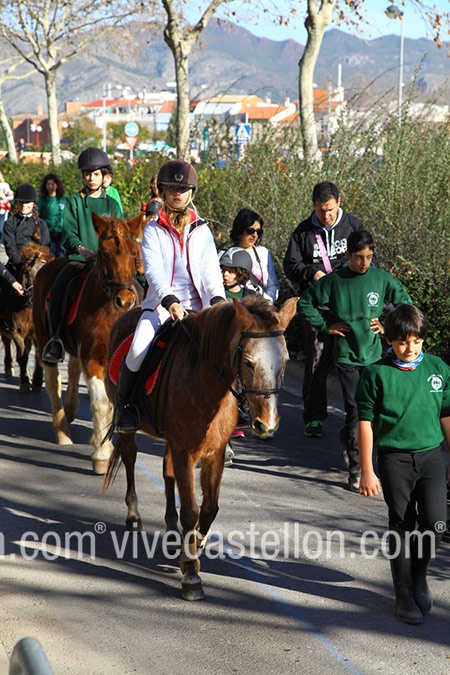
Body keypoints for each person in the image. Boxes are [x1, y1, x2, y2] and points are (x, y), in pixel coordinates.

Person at [113, 159, 225, 433]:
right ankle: (125, 408)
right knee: (138, 348)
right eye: (172, 188)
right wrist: (170, 301)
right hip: (161, 306)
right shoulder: (153, 228)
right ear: (163, 191)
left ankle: (236, 411)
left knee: (230, 348)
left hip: (199, 305)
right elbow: (154, 271)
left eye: (183, 189)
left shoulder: (202, 230)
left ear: (191, 193)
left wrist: (218, 301)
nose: (177, 193)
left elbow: (211, 271)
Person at [356, 304, 450, 625]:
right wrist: (367, 469)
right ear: (389, 340)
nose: (410, 349)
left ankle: (419, 577)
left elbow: (446, 415)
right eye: (402, 342)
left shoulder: (438, 369)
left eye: (416, 342)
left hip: (430, 456)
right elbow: (365, 423)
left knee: (437, 523)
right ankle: (404, 593)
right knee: (402, 524)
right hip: (394, 459)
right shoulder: (375, 374)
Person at [298, 230, 411, 491]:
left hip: (375, 358)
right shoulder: (335, 281)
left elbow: (406, 306)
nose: (364, 263)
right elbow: (305, 303)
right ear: (348, 255)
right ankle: (357, 469)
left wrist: (388, 327)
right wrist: (325, 325)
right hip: (346, 356)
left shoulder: (382, 279)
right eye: (359, 257)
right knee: (356, 410)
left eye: (369, 257)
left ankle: (353, 441)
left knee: (377, 411)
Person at [283, 181, 364, 439]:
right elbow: (290, 265)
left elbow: (368, 257)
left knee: (353, 361)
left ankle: (357, 419)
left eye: (330, 210)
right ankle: (314, 416)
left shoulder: (353, 226)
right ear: (314, 207)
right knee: (317, 360)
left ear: (339, 202)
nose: (326, 216)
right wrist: (311, 272)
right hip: (317, 307)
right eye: (321, 211)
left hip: (349, 307)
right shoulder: (303, 232)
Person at [41, 147, 122, 364]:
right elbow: (68, 233)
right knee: (57, 291)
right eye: (87, 174)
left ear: (103, 175)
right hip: (80, 261)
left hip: (107, 263)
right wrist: (81, 249)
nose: (91, 178)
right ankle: (56, 340)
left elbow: (119, 236)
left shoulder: (112, 204)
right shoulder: (74, 201)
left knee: (132, 288)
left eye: (95, 174)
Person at [228, 208, 279, 303]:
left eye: (258, 232)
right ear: (240, 230)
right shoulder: (226, 255)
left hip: (261, 305)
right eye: (250, 231)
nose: (255, 235)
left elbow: (272, 284)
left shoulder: (263, 253)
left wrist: (267, 302)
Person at [3, 183, 50, 278]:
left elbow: (45, 246)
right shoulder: (10, 222)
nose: (24, 205)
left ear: (34, 203)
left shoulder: (42, 224)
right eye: (21, 202)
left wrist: (33, 263)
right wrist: (20, 264)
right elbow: (10, 247)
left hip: (36, 265)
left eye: (27, 202)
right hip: (16, 265)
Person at [38, 173, 68, 257]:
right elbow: (38, 216)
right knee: (51, 254)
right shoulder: (43, 200)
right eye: (48, 184)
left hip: (62, 232)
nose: (50, 186)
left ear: (57, 185)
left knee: (62, 254)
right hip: (48, 232)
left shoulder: (65, 199)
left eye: (52, 184)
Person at [0, 171, 14, 244]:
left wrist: (3, 197)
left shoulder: (4, 185)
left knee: (1, 227)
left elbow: (11, 197)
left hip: (2, 209)